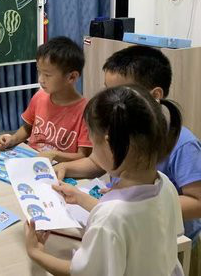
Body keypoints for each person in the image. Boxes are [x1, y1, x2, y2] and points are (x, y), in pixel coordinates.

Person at [54, 45, 201, 274]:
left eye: (120, 94)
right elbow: (97, 162)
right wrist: (65, 167)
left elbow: (198, 202)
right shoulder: (115, 137)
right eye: (107, 91)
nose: (110, 102)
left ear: (154, 96)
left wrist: (129, 201)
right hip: (126, 225)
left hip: (165, 240)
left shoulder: (183, 144)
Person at [26, 85, 184, 275]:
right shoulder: (165, 185)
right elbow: (136, 221)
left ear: (110, 145)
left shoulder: (109, 218)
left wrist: (36, 253)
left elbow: (81, 272)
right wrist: (80, 198)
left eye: (93, 143)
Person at [0, 36, 92, 162]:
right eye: (39, 72)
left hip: (61, 168)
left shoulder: (87, 111)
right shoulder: (40, 96)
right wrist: (12, 139)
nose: (41, 79)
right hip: (31, 160)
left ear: (72, 77)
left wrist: (54, 155)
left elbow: (84, 156)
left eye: (47, 75)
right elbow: (27, 128)